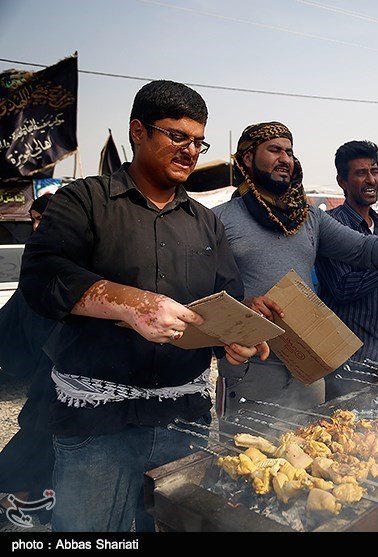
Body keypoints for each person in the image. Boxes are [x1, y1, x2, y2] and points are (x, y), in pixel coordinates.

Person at [17, 80, 268, 532]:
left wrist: (236, 338)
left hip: (182, 420)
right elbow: (42, 277)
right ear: (137, 131)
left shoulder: (206, 223)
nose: (190, 151)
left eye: (198, 141)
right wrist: (128, 302)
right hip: (97, 424)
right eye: (176, 136)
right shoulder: (85, 201)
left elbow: (222, 301)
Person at [212, 122, 378, 424]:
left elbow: (361, 248)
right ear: (246, 159)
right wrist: (243, 307)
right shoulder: (219, 220)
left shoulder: (308, 218)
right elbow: (204, 293)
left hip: (306, 367)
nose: (285, 159)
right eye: (274, 150)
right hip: (251, 368)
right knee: (249, 461)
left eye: (289, 152)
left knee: (313, 455)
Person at [315, 140, 378, 401]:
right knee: (347, 434)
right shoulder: (331, 226)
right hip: (351, 363)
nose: (371, 179)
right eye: (361, 173)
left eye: (375, 171)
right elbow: (343, 288)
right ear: (342, 181)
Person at [0, 194, 58, 527]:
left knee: (44, 437)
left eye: (43, 219)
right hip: (44, 369)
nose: (36, 226)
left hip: (67, 369)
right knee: (37, 432)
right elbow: (20, 309)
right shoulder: (37, 256)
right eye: (33, 220)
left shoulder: (79, 254)